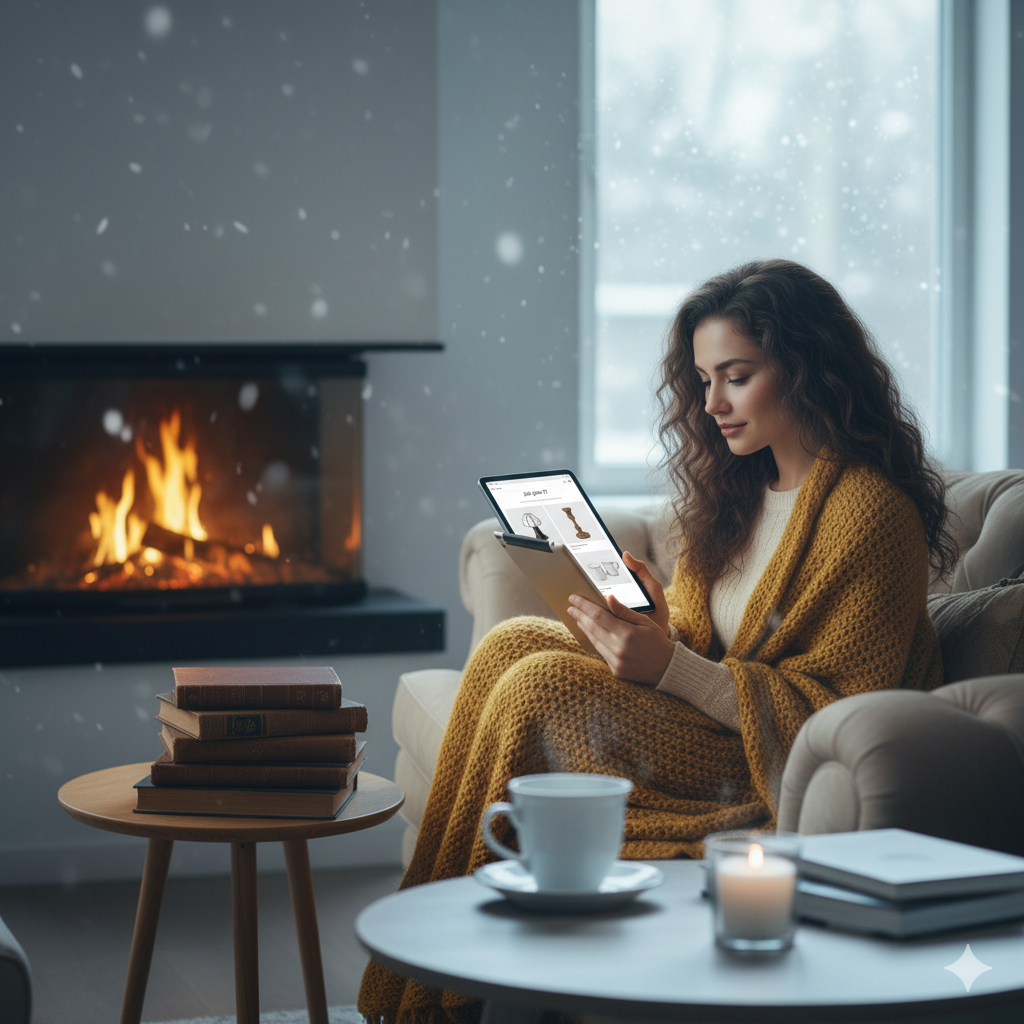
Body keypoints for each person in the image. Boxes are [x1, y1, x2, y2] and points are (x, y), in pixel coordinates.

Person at [359, 258, 955, 1024]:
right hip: (710, 718)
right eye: (703, 381)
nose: (712, 404)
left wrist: (669, 663)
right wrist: (655, 627)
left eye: (736, 377)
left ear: (808, 368)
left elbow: (834, 714)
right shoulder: (740, 491)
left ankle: (453, 998)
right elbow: (715, 647)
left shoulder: (870, 514)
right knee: (514, 644)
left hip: (759, 764)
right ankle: (421, 976)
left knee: (538, 686)